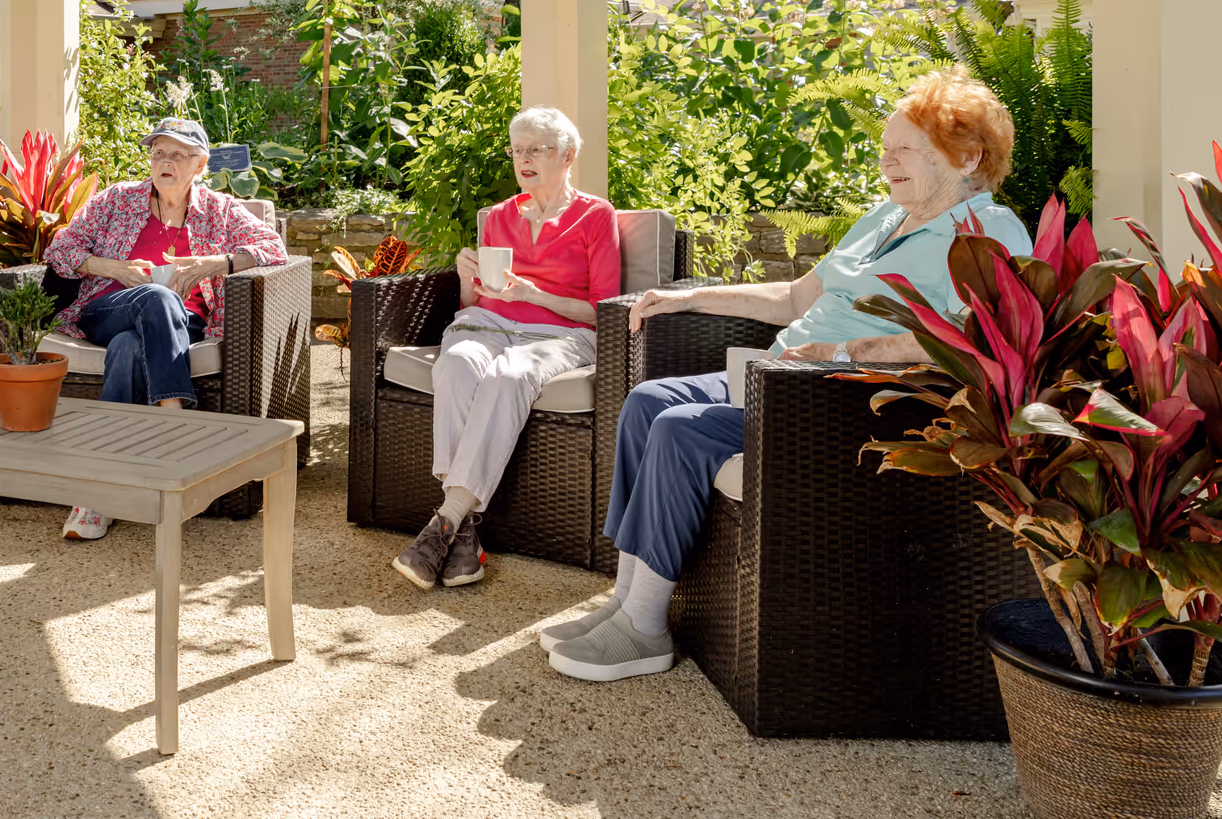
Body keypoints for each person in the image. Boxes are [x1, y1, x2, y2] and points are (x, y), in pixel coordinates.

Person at [539, 71, 1031, 682]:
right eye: (885, 148)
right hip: (781, 373)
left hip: (843, 400)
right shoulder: (886, 216)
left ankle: (645, 628)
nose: (887, 163)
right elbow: (794, 299)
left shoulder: (988, 234)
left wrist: (846, 352)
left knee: (681, 430)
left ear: (968, 156)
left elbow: (974, 345)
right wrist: (689, 298)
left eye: (907, 149)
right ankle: (623, 600)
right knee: (646, 401)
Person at [390, 106, 621, 590]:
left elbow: (604, 309)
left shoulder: (596, 216)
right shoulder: (498, 216)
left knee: (511, 374)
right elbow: (473, 302)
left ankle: (445, 524)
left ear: (568, 155)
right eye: (518, 150)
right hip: (488, 323)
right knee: (455, 362)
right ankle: (465, 537)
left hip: (560, 335)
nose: (525, 159)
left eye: (537, 149)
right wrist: (465, 275)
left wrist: (535, 296)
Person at [42, 118, 289, 541]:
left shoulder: (220, 210)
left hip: (183, 323)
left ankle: (97, 494)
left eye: (178, 154)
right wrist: (110, 267)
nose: (165, 162)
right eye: (159, 152)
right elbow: (61, 248)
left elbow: (275, 249)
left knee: (128, 347)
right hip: (106, 310)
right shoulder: (117, 200)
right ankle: (177, 425)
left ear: (200, 164)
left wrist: (217, 263)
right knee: (154, 301)